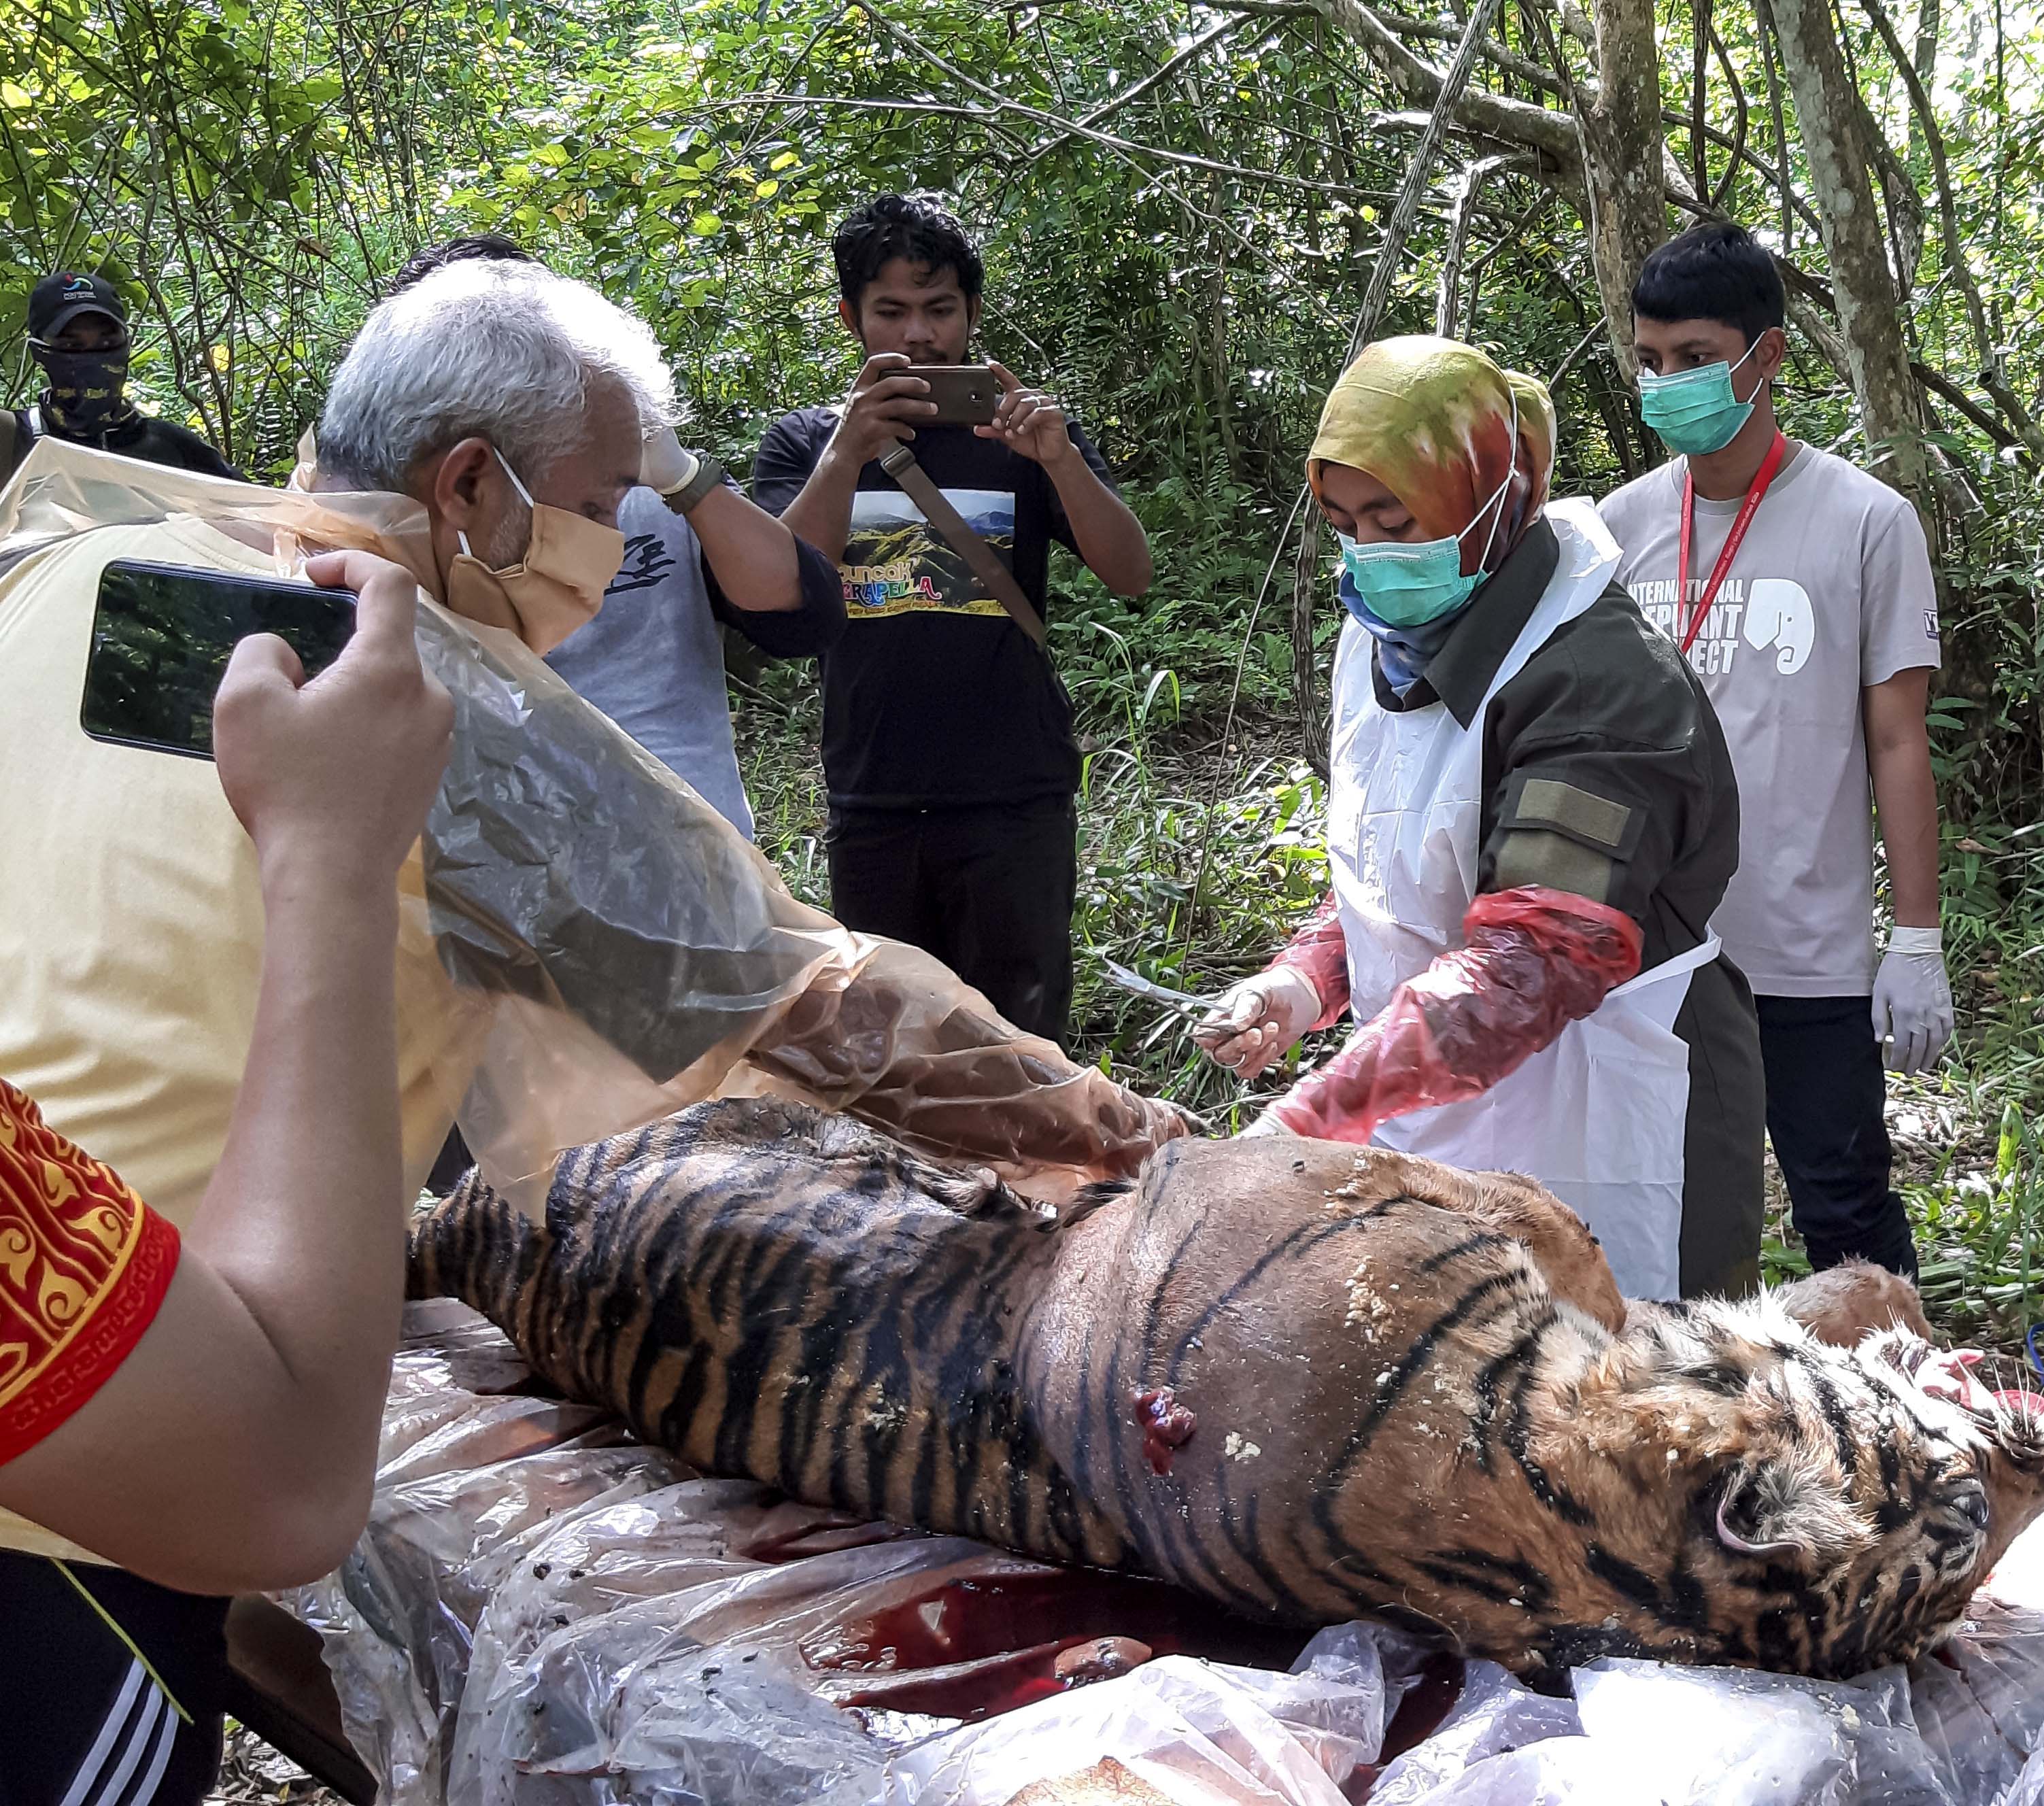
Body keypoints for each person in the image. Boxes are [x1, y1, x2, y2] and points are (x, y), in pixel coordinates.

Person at [0, 551, 451, 1803]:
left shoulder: (53, 572)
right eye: (587, 504)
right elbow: (282, 1485)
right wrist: (330, 852)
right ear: (470, 486)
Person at [1195, 337, 1764, 1301]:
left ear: (1493, 499)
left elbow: (1529, 961)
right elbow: (1403, 861)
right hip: (1430, 1090)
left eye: (1395, 518)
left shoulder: (1599, 687)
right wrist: (1302, 984)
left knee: (1634, 1399)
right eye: (1343, 522)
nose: (1371, 555)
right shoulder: (1388, 637)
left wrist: (1303, 1124)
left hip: (1600, 1100)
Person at [1599, 222, 1950, 1280]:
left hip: (1806, 951)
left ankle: (1905, 1415)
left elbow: (1897, 739)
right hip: (1659, 950)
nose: (1669, 385)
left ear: (1768, 357)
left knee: (1841, 1207)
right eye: (1651, 360)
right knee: (1663, 1215)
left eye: (1697, 359)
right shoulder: (1614, 530)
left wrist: (1918, 939)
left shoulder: (1866, 523)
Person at [753, 192, 1155, 1042]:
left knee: (1021, 1042)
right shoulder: (804, 443)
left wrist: (1060, 461)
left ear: (972, 311)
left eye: (940, 310)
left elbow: (1131, 573)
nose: (921, 336)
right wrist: (845, 454)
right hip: (874, 796)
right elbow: (782, 587)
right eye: (891, 311)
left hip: (1015, 794)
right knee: (892, 1050)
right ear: (849, 318)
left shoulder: (1026, 436)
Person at [371, 236, 845, 840]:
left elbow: (802, 617)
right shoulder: (403, 518)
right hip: (504, 859)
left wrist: (680, 476)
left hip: (694, 848)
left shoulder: (652, 482)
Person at [5, 272, 241, 482]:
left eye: (108, 343)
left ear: (127, 346)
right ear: (39, 353)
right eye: (71, 345)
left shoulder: (175, 449)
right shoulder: (11, 442)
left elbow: (258, 517)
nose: (92, 358)